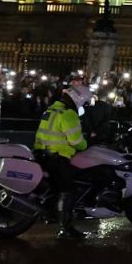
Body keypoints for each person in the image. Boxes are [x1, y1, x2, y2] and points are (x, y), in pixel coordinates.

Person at [33, 85, 91, 239]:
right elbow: (76, 141)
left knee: (55, 188)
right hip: (57, 158)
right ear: (79, 100)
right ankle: (65, 229)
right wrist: (86, 144)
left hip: (41, 154)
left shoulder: (51, 109)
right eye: (85, 102)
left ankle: (49, 214)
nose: (84, 106)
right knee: (68, 190)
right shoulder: (68, 114)